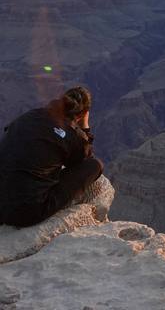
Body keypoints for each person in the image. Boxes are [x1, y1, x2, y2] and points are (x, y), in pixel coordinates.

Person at [0, 86, 103, 228]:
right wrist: (84, 127)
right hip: (23, 213)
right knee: (95, 165)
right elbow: (84, 159)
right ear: (82, 113)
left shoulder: (30, 115)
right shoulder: (72, 134)